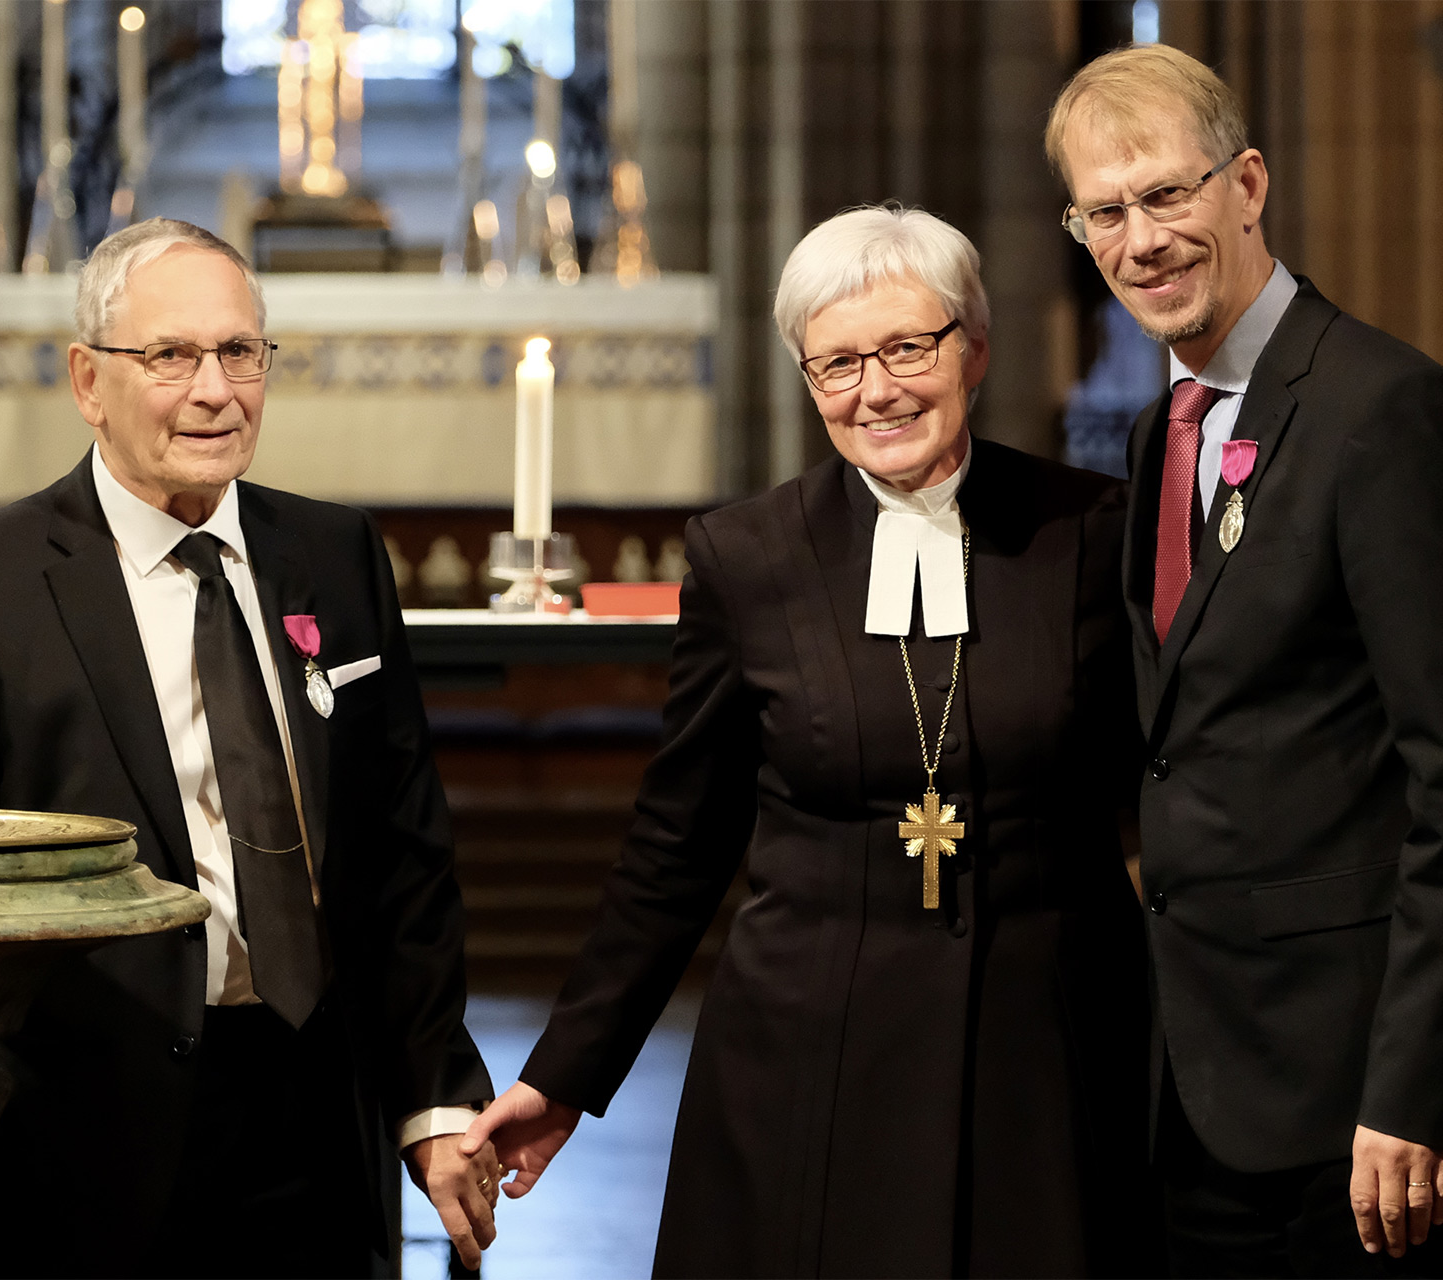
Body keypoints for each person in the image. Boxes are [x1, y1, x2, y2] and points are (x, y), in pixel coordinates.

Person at [460, 206, 1153, 1278]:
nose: (876, 390)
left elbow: (1170, 784)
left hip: (1048, 1044)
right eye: (836, 363)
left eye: (907, 348)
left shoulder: (1089, 528)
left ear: (973, 348)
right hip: (811, 1046)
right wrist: (566, 1072)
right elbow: (677, 843)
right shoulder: (749, 555)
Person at [0, 219, 501, 1279]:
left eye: (241, 351)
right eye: (170, 356)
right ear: (87, 379)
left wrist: (433, 1099)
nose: (216, 389)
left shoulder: (337, 557)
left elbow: (401, 854)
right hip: (67, 1152)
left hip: (314, 1127)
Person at [1044, 45, 1443, 1278]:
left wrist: (1419, 1090)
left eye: (1168, 193)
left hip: (1374, 1121)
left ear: (1249, 183)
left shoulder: (1390, 416)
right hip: (1213, 1097)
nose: (1142, 238)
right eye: (1105, 212)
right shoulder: (1161, 426)